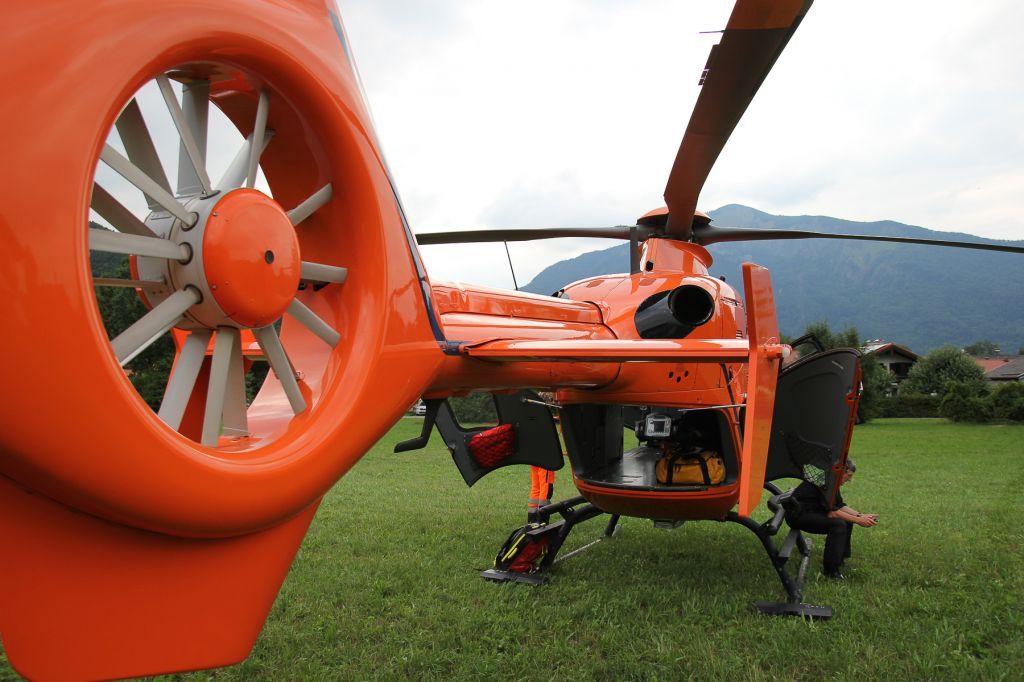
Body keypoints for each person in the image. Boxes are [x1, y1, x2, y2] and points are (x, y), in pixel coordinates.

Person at [784, 459, 878, 580]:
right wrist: (858, 520)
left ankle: (840, 558)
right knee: (838, 525)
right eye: (849, 475)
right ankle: (831, 571)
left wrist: (860, 515)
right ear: (840, 472)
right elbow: (832, 513)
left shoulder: (830, 480)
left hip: (810, 512)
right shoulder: (825, 483)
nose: (850, 479)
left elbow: (839, 505)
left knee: (847, 521)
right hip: (797, 516)